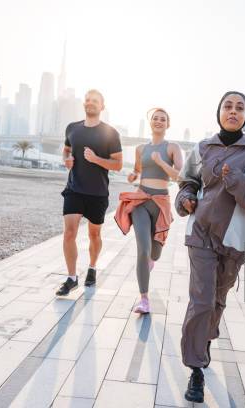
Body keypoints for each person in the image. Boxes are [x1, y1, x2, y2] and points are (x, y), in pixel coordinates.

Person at [175, 91, 245, 403]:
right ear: (218, 112)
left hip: (237, 241)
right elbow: (187, 181)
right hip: (202, 234)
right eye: (228, 107)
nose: (233, 112)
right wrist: (185, 198)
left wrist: (234, 179)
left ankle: (203, 343)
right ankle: (196, 369)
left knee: (217, 301)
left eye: (240, 107)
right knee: (202, 301)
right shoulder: (202, 148)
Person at [114, 108, 183, 313]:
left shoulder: (173, 147)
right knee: (142, 250)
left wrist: (161, 162)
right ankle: (144, 299)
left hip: (161, 202)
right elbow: (137, 170)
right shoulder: (140, 148)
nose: (159, 121)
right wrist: (133, 176)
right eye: (155, 118)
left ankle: (150, 263)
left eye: (163, 119)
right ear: (150, 122)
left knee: (155, 252)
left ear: (167, 124)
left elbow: (179, 176)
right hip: (141, 200)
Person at [56, 89, 123, 296]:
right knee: (69, 233)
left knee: (94, 234)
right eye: (87, 100)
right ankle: (71, 277)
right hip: (74, 188)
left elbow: (118, 164)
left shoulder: (110, 133)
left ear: (102, 106)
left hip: (98, 193)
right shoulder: (72, 128)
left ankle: (92, 267)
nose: (90, 103)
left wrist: (96, 160)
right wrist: (66, 160)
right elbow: (66, 150)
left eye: (95, 101)